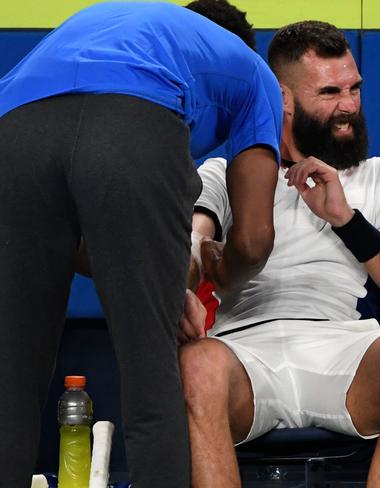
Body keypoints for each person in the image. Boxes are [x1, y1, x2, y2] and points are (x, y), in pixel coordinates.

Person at [0, 1, 282, 486]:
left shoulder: (109, 26)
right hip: (130, 124)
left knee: (12, 374)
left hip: (14, 127)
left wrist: (165, 286)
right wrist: (210, 271)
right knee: (151, 376)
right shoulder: (252, 70)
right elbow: (254, 241)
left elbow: (91, 242)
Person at [178, 20, 380, 487]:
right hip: (245, 353)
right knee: (196, 364)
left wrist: (348, 220)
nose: (349, 106)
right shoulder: (225, 172)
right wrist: (196, 253)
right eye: (329, 92)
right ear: (282, 96)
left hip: (342, 345)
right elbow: (195, 242)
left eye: (354, 88)